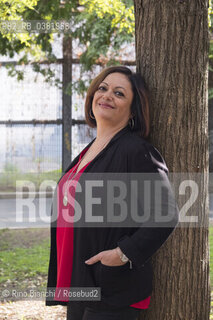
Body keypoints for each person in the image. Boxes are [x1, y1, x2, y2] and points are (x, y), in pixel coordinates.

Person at [46, 66, 179, 320]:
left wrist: (122, 254)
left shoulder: (136, 151)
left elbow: (166, 213)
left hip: (113, 288)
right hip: (81, 282)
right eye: (103, 88)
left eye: (119, 93)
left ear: (133, 111)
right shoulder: (87, 152)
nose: (107, 95)